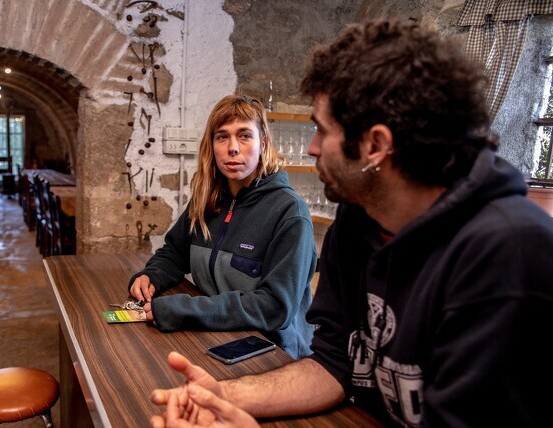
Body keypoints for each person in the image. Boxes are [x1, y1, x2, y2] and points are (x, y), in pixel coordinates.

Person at [149, 19, 553, 427]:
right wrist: (222, 394)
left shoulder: (510, 252)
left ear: (375, 145)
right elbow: (332, 364)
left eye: (323, 131)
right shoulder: (359, 218)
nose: (311, 147)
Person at [128, 94, 317, 359]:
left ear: (263, 143)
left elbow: (274, 307)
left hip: (272, 352)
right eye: (222, 137)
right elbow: (174, 253)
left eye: (244, 136)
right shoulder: (207, 199)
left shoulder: (290, 213)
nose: (232, 148)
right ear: (212, 145)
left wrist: (185, 310)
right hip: (214, 337)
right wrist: (151, 275)